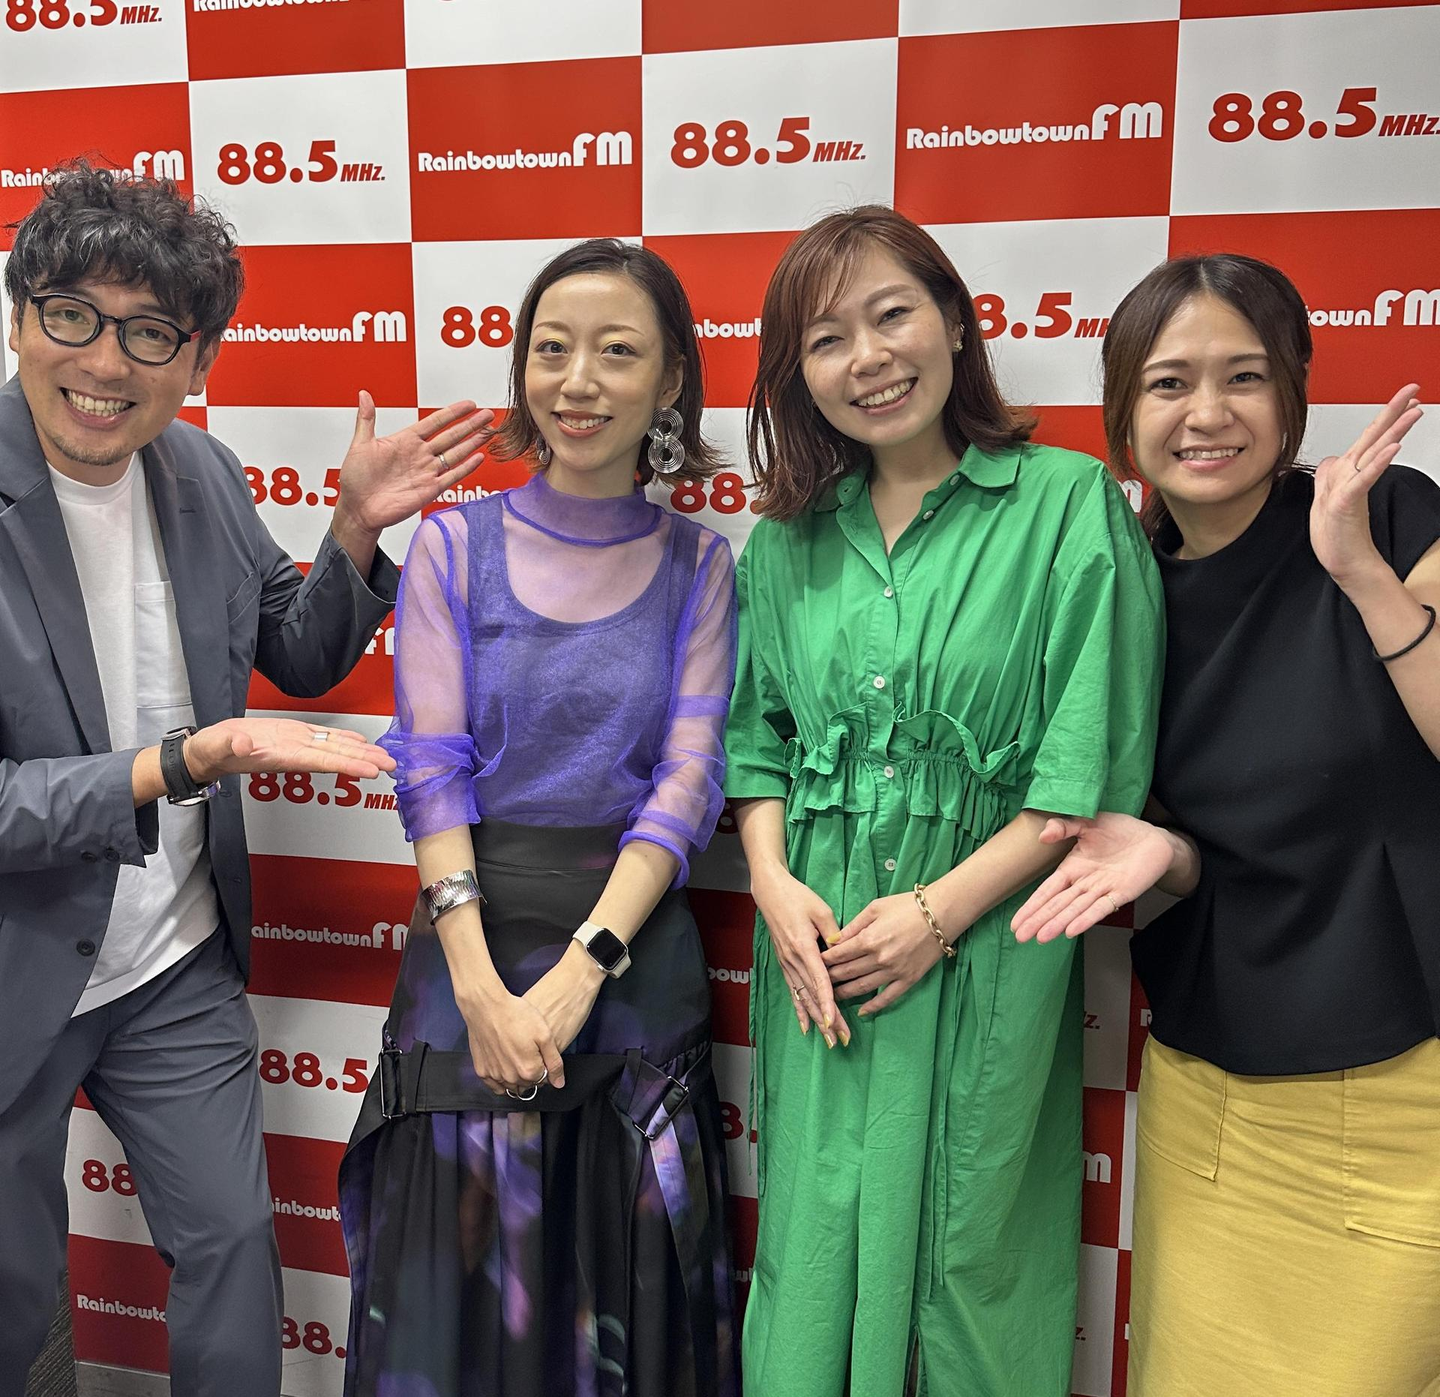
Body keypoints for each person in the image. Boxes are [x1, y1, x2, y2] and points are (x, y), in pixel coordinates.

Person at [0, 161, 491, 1395]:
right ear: (19, 317)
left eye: (149, 333)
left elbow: (299, 648)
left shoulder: (201, 471)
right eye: (71, 314)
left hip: (170, 960)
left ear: (198, 358)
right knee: (13, 1296)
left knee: (231, 1253)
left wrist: (355, 529)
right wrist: (181, 760)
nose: (104, 362)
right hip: (13, 960)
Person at [723, 206, 1164, 1397]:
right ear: (797, 373)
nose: (866, 358)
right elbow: (754, 744)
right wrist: (771, 881)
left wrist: (937, 912)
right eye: (826, 338)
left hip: (987, 938)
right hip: (819, 944)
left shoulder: (1066, 503)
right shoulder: (782, 545)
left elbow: (1088, 767)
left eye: (891, 316)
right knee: (813, 1244)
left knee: (969, 1256)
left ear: (957, 324)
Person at [1012, 253, 1440, 1396]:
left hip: (1404, 1075)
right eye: (1169, 383)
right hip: (1216, 1082)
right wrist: (1169, 852)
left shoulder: (1390, 513)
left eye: (1243, 375)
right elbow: (1216, 844)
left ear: (1293, 388)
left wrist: (1361, 573)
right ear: (1123, 412)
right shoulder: (1121, 591)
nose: (1207, 413)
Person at [338, 239, 740, 1397]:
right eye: (552, 349)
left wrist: (582, 968)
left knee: (620, 1303)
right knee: (457, 1305)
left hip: (630, 970)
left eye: (618, 352)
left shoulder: (703, 565)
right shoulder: (452, 545)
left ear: (670, 380)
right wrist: (477, 984)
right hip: (466, 957)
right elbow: (431, 768)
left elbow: (687, 781)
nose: (578, 380)